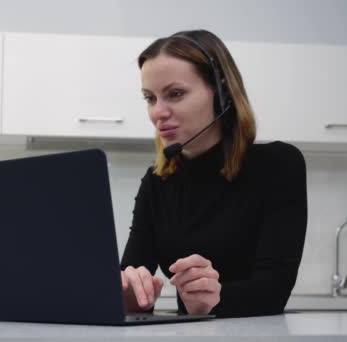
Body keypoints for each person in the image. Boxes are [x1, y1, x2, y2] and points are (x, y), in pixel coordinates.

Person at [120, 29, 308, 318]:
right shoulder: (157, 181)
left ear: (221, 92)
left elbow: (274, 290)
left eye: (176, 94)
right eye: (150, 98)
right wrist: (130, 295)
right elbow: (133, 276)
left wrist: (215, 300)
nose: (158, 112)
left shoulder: (278, 165)